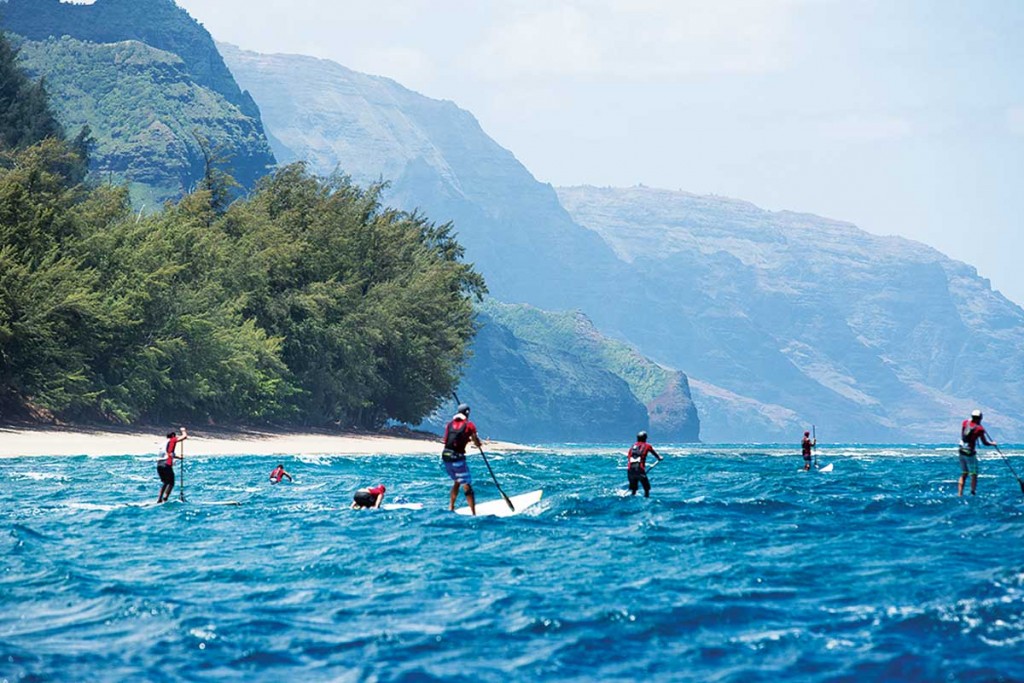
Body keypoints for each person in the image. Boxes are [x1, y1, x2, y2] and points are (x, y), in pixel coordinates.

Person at [441, 403, 482, 514]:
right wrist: (478, 444)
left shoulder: (450, 424)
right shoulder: (469, 425)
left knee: (457, 481)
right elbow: (476, 442)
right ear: (467, 413)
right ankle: (473, 513)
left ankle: (451, 507)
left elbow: (447, 440)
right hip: (457, 457)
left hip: (445, 455)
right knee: (466, 484)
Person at [958, 409, 997, 496]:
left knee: (964, 473)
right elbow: (985, 443)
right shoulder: (980, 429)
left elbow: (967, 425)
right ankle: (973, 492)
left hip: (961, 451)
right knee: (974, 474)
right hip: (970, 453)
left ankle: (960, 494)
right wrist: (993, 443)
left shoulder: (965, 423)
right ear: (980, 418)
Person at [626, 431, 663, 497]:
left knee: (633, 490)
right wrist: (659, 458)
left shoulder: (632, 447)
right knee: (646, 489)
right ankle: (646, 499)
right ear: (645, 438)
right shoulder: (647, 446)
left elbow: (629, 457)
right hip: (640, 469)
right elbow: (655, 455)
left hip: (630, 470)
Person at [156, 427, 187, 503]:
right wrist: (183, 430)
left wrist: (178, 457)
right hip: (166, 464)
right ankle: (165, 498)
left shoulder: (163, 443)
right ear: (173, 436)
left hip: (159, 464)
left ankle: (159, 499)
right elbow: (184, 437)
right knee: (171, 483)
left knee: (165, 482)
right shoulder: (172, 440)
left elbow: (168, 453)